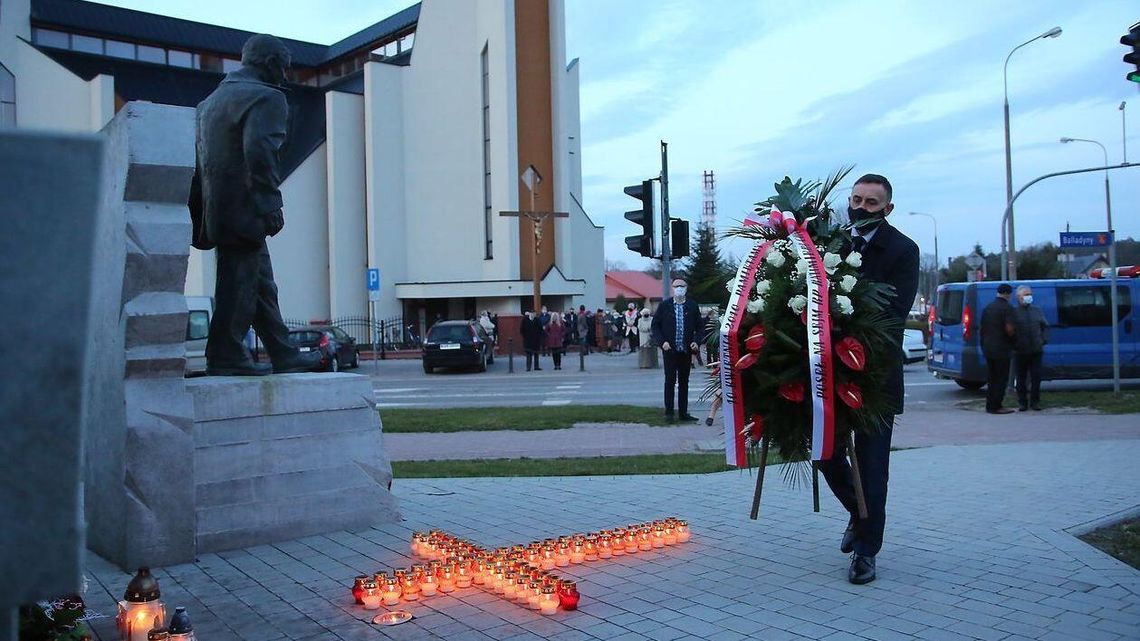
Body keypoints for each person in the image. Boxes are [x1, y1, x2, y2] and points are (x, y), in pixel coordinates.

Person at [189, 34, 321, 376]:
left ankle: (283, 352)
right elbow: (260, 151)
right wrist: (269, 203)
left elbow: (199, 164)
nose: (285, 75)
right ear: (271, 63)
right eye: (284, 67)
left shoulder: (208, 103)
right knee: (238, 283)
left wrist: (200, 212)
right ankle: (226, 354)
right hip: (245, 206)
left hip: (218, 210)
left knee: (260, 284)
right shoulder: (266, 97)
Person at [817, 174, 919, 586]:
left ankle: (866, 552)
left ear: (887, 209)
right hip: (830, 373)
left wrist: (844, 323)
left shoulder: (903, 250)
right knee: (824, 454)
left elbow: (894, 313)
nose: (860, 208)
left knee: (873, 468)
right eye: (856, 199)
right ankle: (859, 516)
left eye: (871, 203)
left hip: (876, 376)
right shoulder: (831, 244)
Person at [651, 278, 701, 422]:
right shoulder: (665, 306)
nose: (679, 288)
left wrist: (696, 341)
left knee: (684, 382)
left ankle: (683, 413)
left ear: (686, 288)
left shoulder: (692, 306)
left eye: (682, 286)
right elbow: (655, 325)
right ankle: (669, 413)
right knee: (670, 381)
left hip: (685, 350)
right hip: (670, 350)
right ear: (672, 288)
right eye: (676, 286)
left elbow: (700, 327)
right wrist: (662, 342)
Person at [980, 283, 1017, 415]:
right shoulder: (1007, 308)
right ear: (1007, 294)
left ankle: (990, 405)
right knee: (1001, 378)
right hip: (1002, 348)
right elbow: (1009, 329)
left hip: (988, 347)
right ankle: (997, 406)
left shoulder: (988, 307)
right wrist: (1014, 341)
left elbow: (983, 328)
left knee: (992, 378)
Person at [1012, 285, 1047, 411]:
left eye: (1030, 294)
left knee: (1036, 377)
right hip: (1020, 350)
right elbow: (1009, 330)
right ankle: (1022, 402)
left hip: (1036, 350)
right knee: (1021, 378)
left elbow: (1045, 326)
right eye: (1026, 295)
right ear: (1019, 297)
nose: (1029, 297)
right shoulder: (1014, 312)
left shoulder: (1036, 311)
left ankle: (1035, 402)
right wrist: (1014, 344)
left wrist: (1043, 340)